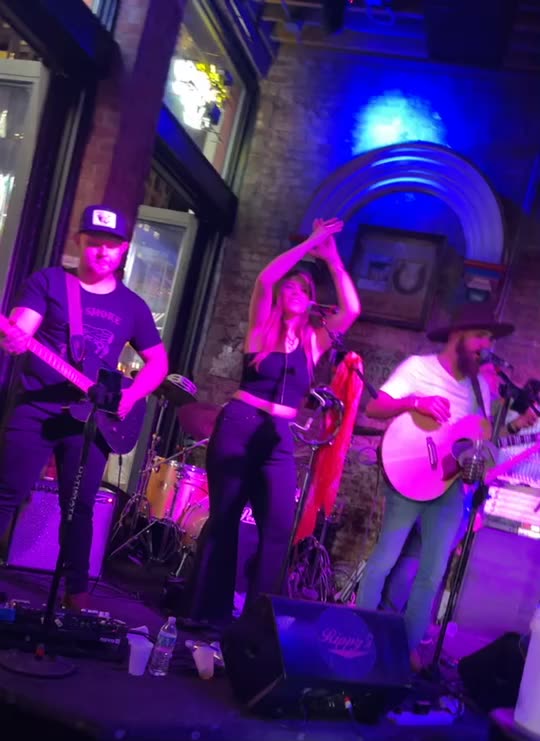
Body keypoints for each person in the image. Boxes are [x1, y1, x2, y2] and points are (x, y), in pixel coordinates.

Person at [188, 217, 361, 626]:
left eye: (303, 290)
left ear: (311, 300)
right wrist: (310, 242)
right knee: (225, 519)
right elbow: (265, 279)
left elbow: (352, 309)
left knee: (279, 528)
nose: (295, 293)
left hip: (278, 438)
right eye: (290, 287)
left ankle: (256, 622)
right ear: (280, 295)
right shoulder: (260, 329)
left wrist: (332, 259)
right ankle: (206, 614)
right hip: (239, 426)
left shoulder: (314, 341)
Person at [0, 204, 168, 609]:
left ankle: (76, 593)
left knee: (80, 507)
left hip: (91, 419)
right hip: (37, 408)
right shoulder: (48, 282)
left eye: (112, 245)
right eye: (95, 243)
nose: (102, 252)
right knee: (6, 492)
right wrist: (14, 337)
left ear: (124, 249)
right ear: (79, 241)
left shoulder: (132, 306)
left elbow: (159, 364)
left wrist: (131, 396)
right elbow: (21, 329)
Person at [355, 303, 514, 671]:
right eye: (481, 336)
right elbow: (375, 408)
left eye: (490, 339)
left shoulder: (480, 388)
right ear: (458, 335)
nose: (487, 345)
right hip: (410, 474)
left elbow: (477, 443)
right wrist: (415, 402)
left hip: (449, 486)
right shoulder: (418, 367)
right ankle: (359, 633)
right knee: (385, 558)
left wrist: (507, 434)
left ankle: (405, 649)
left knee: (432, 572)